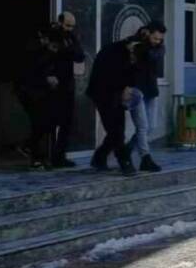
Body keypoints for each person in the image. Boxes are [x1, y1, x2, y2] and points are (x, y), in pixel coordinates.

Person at [86, 35, 139, 176]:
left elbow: (132, 75)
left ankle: (99, 157)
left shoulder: (129, 54)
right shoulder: (113, 53)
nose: (134, 55)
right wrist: (125, 88)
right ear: (129, 45)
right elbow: (110, 77)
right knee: (115, 130)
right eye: (133, 51)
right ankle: (124, 162)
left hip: (115, 93)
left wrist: (127, 87)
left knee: (117, 129)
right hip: (103, 93)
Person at [16, 25, 63, 169]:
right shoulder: (35, 52)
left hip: (40, 93)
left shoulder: (47, 52)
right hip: (30, 93)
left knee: (44, 123)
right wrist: (47, 80)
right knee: (39, 123)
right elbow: (27, 75)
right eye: (54, 46)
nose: (55, 49)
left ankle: (33, 152)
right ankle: (34, 155)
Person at [123, 22, 167, 173]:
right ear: (148, 33)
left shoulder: (157, 48)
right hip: (136, 90)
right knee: (142, 127)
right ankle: (145, 158)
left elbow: (152, 56)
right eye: (155, 38)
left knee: (150, 127)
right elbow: (131, 54)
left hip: (151, 90)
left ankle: (127, 149)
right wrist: (140, 41)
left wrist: (146, 44)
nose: (158, 41)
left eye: (160, 39)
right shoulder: (135, 42)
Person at [45, 12, 86, 168]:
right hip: (53, 84)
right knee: (51, 120)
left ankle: (59, 156)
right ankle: (45, 155)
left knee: (67, 122)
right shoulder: (53, 36)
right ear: (60, 22)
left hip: (67, 83)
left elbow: (80, 56)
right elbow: (52, 53)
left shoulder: (71, 37)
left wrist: (70, 48)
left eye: (72, 26)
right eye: (67, 25)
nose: (69, 29)